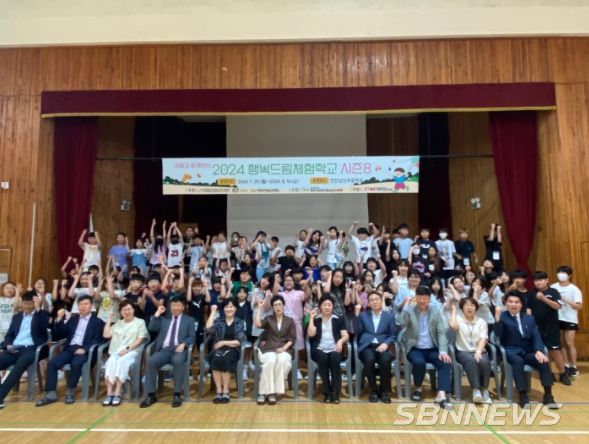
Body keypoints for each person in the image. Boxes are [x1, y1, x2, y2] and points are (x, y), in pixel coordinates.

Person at [36, 295, 105, 406]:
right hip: (70, 348)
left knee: (76, 363)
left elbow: (98, 339)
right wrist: (59, 319)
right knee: (52, 363)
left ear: (91, 306)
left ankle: (70, 392)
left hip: (85, 351)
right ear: (77, 306)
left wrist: (85, 349)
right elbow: (61, 334)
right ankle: (51, 394)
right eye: (80, 304)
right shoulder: (73, 319)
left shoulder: (98, 321)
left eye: (86, 304)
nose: (83, 307)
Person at [493, 292, 558, 408]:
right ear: (505, 303)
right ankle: (523, 395)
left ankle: (548, 395)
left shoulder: (529, 318)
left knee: (543, 361)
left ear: (521, 304)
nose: (514, 304)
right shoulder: (503, 317)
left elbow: (536, 336)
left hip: (528, 351)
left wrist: (538, 350)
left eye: (517, 302)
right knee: (518, 361)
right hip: (511, 350)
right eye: (510, 302)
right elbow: (497, 334)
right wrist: (497, 318)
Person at [397, 286, 453, 409]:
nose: (422, 300)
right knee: (419, 362)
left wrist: (443, 351)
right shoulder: (410, 309)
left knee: (445, 361)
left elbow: (441, 332)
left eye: (425, 298)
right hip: (415, 348)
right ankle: (418, 388)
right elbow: (401, 322)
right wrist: (406, 305)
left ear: (429, 298)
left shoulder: (435, 311)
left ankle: (441, 394)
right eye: (419, 297)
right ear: (416, 297)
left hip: (432, 348)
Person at [140, 297, 195, 408]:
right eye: (173, 306)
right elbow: (152, 328)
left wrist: (184, 343)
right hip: (164, 350)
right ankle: (151, 395)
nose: (175, 308)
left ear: (183, 307)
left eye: (178, 305)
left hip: (179, 350)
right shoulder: (164, 319)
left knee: (177, 360)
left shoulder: (189, 320)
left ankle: (177, 394)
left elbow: (192, 337)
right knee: (151, 361)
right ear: (170, 307)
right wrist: (157, 314)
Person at [0, 291, 49, 409]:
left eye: (30, 304)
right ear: (21, 303)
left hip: (32, 349)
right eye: (25, 303)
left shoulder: (41, 315)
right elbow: (9, 335)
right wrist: (7, 345)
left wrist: (38, 309)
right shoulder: (17, 317)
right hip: (14, 348)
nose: (27, 306)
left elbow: (44, 328)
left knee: (18, 367)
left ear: (35, 303)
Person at [527, 271, 570, 385]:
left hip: (551, 327)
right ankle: (548, 374)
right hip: (537, 328)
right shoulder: (531, 293)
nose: (538, 282)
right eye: (536, 280)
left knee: (555, 351)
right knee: (541, 352)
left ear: (547, 280)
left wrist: (543, 298)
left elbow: (558, 306)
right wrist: (530, 324)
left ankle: (563, 374)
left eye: (540, 280)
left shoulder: (553, 292)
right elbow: (528, 310)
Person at [101, 301, 148, 406]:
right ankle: (109, 393)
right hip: (116, 352)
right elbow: (106, 335)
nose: (127, 312)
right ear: (120, 312)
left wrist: (127, 349)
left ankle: (117, 392)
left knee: (122, 362)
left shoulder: (140, 322)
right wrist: (109, 320)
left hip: (132, 351)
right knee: (111, 362)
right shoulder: (118, 323)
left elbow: (140, 339)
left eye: (129, 309)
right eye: (124, 310)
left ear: (133, 310)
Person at [355, 291, 398, 403]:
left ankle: (384, 391)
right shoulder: (363, 315)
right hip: (367, 346)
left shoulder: (389, 316)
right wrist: (357, 315)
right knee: (369, 360)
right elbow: (358, 331)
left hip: (383, 345)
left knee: (385, 360)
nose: (374, 302)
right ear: (368, 303)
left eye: (376, 299)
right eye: (371, 300)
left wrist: (386, 343)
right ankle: (373, 390)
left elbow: (393, 334)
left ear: (381, 301)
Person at [254, 295, 297, 405]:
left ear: (283, 306)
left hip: (284, 349)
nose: (278, 307)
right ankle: (265, 393)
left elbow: (292, 338)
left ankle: (271, 391)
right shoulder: (269, 319)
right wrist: (259, 308)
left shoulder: (290, 321)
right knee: (270, 362)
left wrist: (283, 348)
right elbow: (258, 324)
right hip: (269, 348)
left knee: (283, 361)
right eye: (275, 305)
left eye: (280, 304)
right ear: (272, 307)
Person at [449, 297, 492, 404]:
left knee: (484, 362)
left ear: (476, 308)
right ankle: (476, 390)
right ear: (462, 308)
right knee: (471, 361)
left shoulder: (481, 322)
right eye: (466, 305)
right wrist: (454, 310)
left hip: (478, 350)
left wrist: (478, 351)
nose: (469, 307)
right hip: (462, 351)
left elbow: (484, 338)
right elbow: (453, 326)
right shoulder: (458, 319)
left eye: (472, 305)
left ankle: (485, 390)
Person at [307, 295, 349, 403]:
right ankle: (326, 392)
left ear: (333, 306)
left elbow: (345, 335)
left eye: (329, 305)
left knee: (335, 357)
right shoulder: (316, 319)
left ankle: (335, 392)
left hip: (335, 348)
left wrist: (340, 341)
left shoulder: (338, 319)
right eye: (324, 305)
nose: (327, 307)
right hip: (319, 349)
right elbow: (311, 334)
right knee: (322, 358)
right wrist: (311, 318)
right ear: (320, 307)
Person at [205, 299, 246, 403]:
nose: (229, 309)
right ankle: (219, 391)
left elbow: (239, 341)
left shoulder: (239, 322)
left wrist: (223, 342)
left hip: (233, 349)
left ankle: (226, 391)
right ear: (223, 309)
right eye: (226, 307)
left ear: (235, 308)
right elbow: (208, 329)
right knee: (216, 358)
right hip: (218, 349)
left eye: (231, 307)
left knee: (225, 358)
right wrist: (213, 312)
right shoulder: (219, 321)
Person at [551, 265, 583, 378]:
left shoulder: (574, 289)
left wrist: (566, 300)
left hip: (570, 319)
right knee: (561, 343)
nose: (561, 275)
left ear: (569, 275)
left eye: (564, 273)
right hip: (557, 318)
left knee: (569, 343)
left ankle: (574, 366)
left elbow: (579, 306)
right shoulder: (553, 287)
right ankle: (566, 365)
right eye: (559, 272)